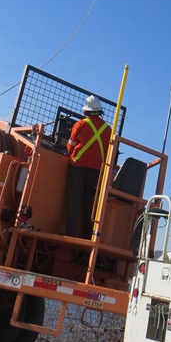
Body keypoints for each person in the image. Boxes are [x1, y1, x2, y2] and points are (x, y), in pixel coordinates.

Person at [65, 94, 111, 239]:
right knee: (91, 206)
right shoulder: (108, 129)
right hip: (97, 172)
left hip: (77, 167)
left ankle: (70, 234)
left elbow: (69, 146)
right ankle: (88, 238)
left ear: (86, 111)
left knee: (74, 200)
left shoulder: (80, 124)